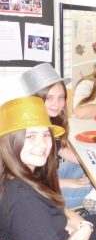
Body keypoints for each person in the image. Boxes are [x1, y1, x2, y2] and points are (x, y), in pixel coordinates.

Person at [0, 96, 96, 240]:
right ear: (9, 141)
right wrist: (83, 230)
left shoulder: (19, 174)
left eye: (45, 135)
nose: (42, 144)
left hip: (64, 238)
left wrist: (82, 225)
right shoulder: (22, 200)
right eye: (30, 136)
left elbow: (54, 209)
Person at [19, 63, 92, 209]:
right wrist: (69, 183)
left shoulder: (50, 119)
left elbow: (60, 150)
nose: (57, 104)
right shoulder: (27, 131)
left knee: (92, 166)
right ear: (36, 98)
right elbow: (26, 181)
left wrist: (93, 159)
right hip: (39, 192)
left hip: (52, 174)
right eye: (49, 98)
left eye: (61, 97)